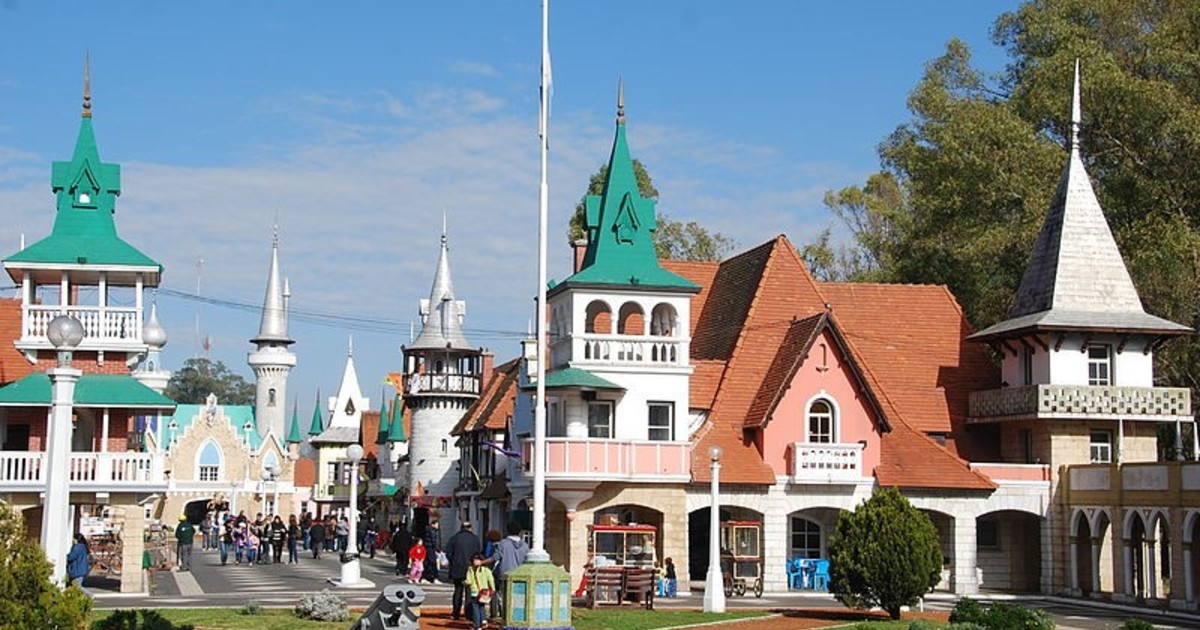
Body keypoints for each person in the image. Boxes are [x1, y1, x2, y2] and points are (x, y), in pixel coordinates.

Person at [488, 520, 528, 621]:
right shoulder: (525, 545)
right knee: (518, 597)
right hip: (520, 574)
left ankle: (504, 617)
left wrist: (482, 562)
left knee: (503, 597)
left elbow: (495, 557)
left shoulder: (503, 544)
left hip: (504, 574)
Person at [446, 520, 482, 621]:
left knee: (458, 590)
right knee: (469, 591)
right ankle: (469, 614)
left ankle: (456, 613)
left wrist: (453, 561)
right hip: (470, 568)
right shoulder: (475, 539)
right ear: (470, 528)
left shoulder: (454, 538)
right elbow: (478, 553)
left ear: (461, 527)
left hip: (457, 567)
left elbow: (448, 553)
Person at [465, 552, 495, 630]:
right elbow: (491, 580)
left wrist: (464, 582)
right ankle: (483, 620)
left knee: (475, 609)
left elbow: (469, 581)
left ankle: (477, 625)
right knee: (481, 606)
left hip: (475, 592)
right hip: (484, 592)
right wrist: (493, 589)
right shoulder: (486, 570)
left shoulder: (471, 569)